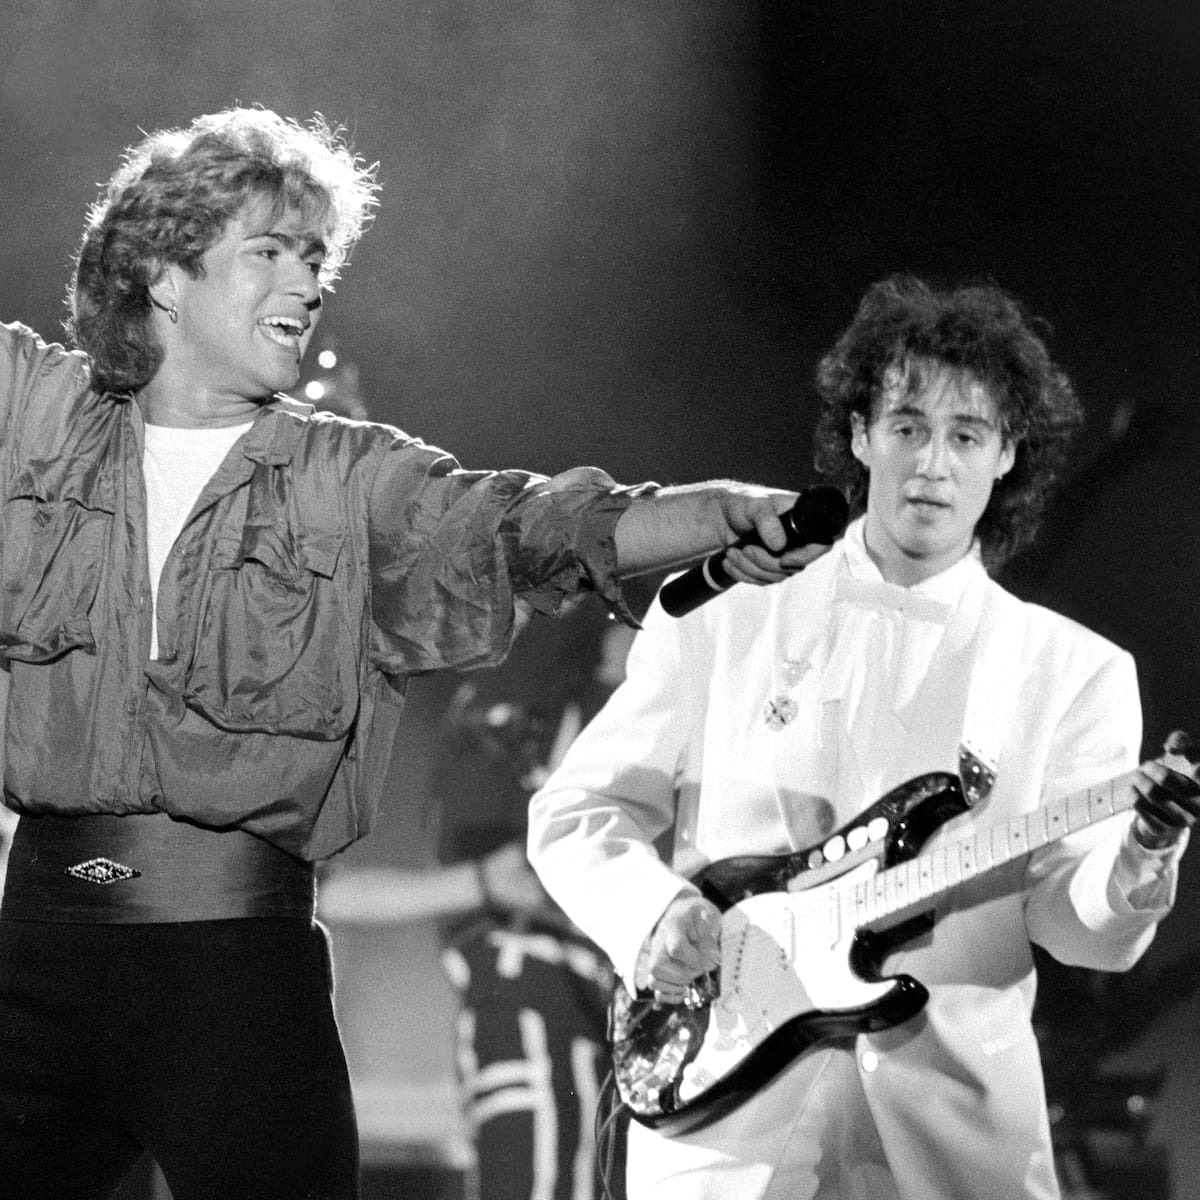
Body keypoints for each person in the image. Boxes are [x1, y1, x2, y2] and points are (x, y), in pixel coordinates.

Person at [0, 107, 826, 1200]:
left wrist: (715, 512)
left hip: (237, 986)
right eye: (269, 252)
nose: (307, 284)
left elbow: (523, 525)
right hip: (35, 970)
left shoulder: (349, 479)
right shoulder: (37, 417)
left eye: (315, 259)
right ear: (164, 274)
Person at [528, 275, 1200, 1200]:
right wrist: (651, 914)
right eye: (907, 427)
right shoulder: (727, 611)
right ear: (858, 434)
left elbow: (1073, 926)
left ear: (1008, 453)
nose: (932, 464)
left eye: (966, 436)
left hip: (953, 1138)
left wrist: (1142, 858)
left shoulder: (1073, 670)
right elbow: (577, 811)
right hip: (722, 1115)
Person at [320, 608, 636, 1200]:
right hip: (537, 999)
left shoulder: (531, 670)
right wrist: (489, 882)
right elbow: (328, 893)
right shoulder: (507, 684)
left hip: (565, 1006)